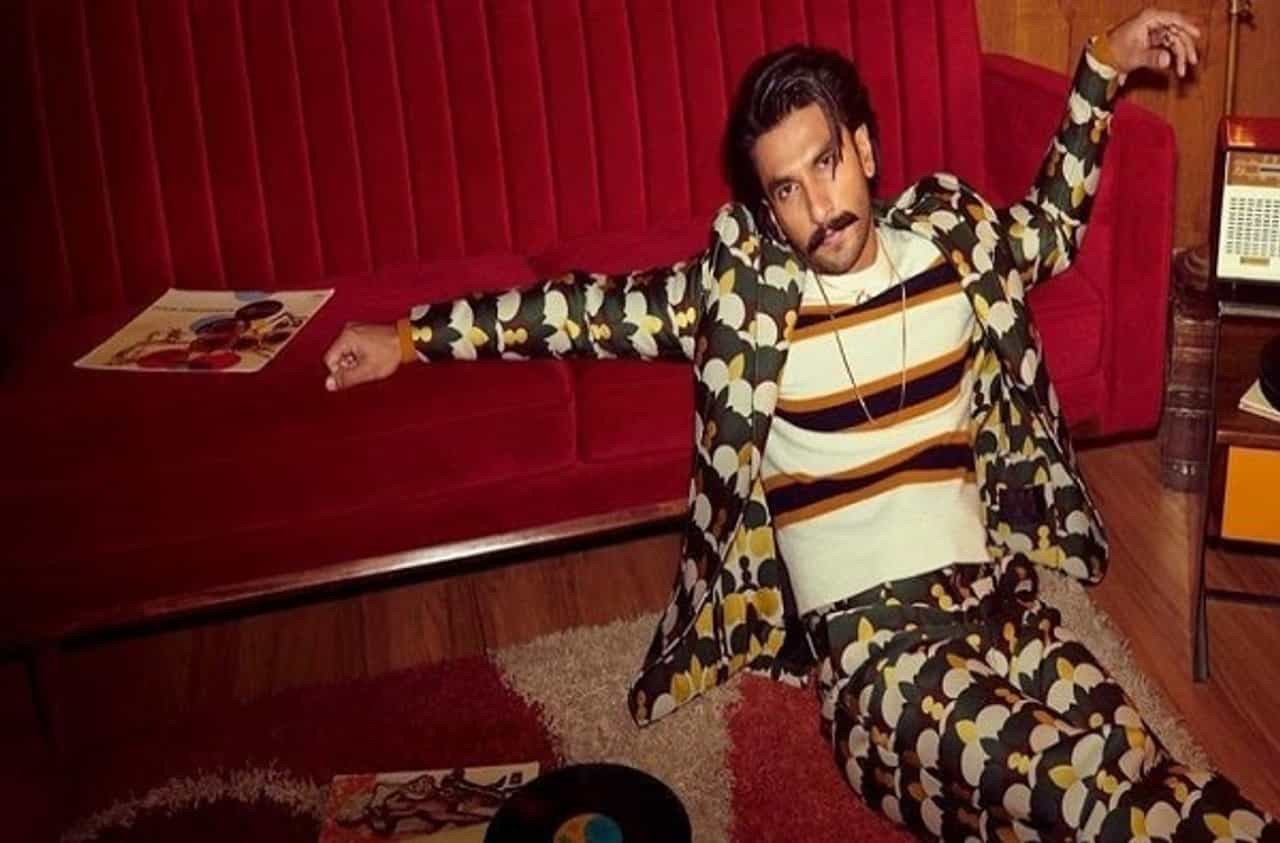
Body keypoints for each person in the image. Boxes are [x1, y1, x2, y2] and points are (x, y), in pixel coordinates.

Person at [324, 9, 1278, 840]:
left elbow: (1054, 228)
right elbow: (575, 310)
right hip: (876, 669)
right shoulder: (743, 305)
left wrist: (1105, 62)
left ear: (863, 150)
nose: (820, 208)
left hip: (999, 608)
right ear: (767, 206)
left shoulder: (953, 249)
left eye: (825, 164)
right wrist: (405, 337)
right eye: (787, 189)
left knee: (1134, 754)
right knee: (1081, 788)